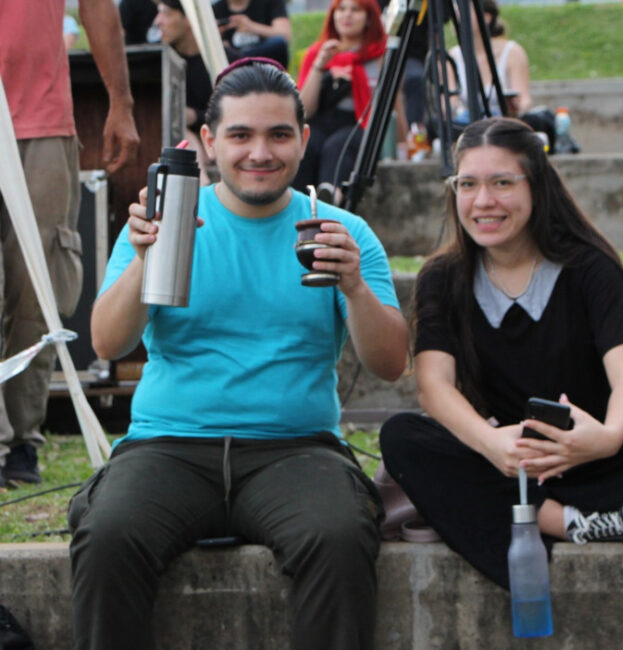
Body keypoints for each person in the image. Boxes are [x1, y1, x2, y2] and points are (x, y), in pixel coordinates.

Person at [68, 58, 407, 649]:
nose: (260, 153)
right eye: (240, 135)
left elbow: (390, 364)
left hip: (295, 450)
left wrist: (354, 286)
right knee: (108, 533)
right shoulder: (163, 222)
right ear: (209, 142)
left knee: (338, 536)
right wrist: (147, 259)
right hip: (168, 444)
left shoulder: (339, 231)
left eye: (278, 135)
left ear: (303, 140)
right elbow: (106, 343)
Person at [379, 117, 623, 589]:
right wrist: (493, 446)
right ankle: (571, 525)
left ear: (537, 186)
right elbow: (433, 386)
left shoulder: (589, 266)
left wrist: (608, 438)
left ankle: (527, 523)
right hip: (500, 465)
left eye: (502, 183)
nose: (483, 201)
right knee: (404, 438)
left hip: (584, 458)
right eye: (467, 184)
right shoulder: (443, 277)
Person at [0, 0, 139, 489]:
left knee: (39, 288)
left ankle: (20, 439)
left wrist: (121, 103)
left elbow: (97, 6)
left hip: (41, 120)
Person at [292, 0, 387, 199]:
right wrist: (320, 67)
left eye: (355, 10)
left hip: (358, 123)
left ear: (369, 18)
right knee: (307, 144)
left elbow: (393, 103)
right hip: (321, 121)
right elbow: (304, 111)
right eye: (341, 9)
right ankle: (296, 201)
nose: (347, 15)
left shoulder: (381, 55)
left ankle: (330, 196)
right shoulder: (319, 53)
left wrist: (401, 142)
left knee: (337, 146)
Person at [154, 0, 235, 185]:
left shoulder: (223, 61)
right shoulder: (158, 64)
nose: (158, 21)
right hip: (182, 141)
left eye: (166, 13)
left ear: (189, 19)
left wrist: (195, 117)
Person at [448, 0, 532, 123]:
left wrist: (517, 106)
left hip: (503, 124)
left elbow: (524, 99)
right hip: (467, 126)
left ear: (486, 17)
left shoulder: (513, 52)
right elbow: (449, 101)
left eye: (463, 11)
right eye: (456, 12)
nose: (457, 17)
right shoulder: (453, 56)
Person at [213, 0, 290, 69]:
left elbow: (284, 35)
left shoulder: (271, 2)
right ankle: (239, 60)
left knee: (278, 42)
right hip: (233, 66)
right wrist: (216, 35)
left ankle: (240, 60)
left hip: (266, 62)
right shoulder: (215, 10)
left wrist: (251, 27)